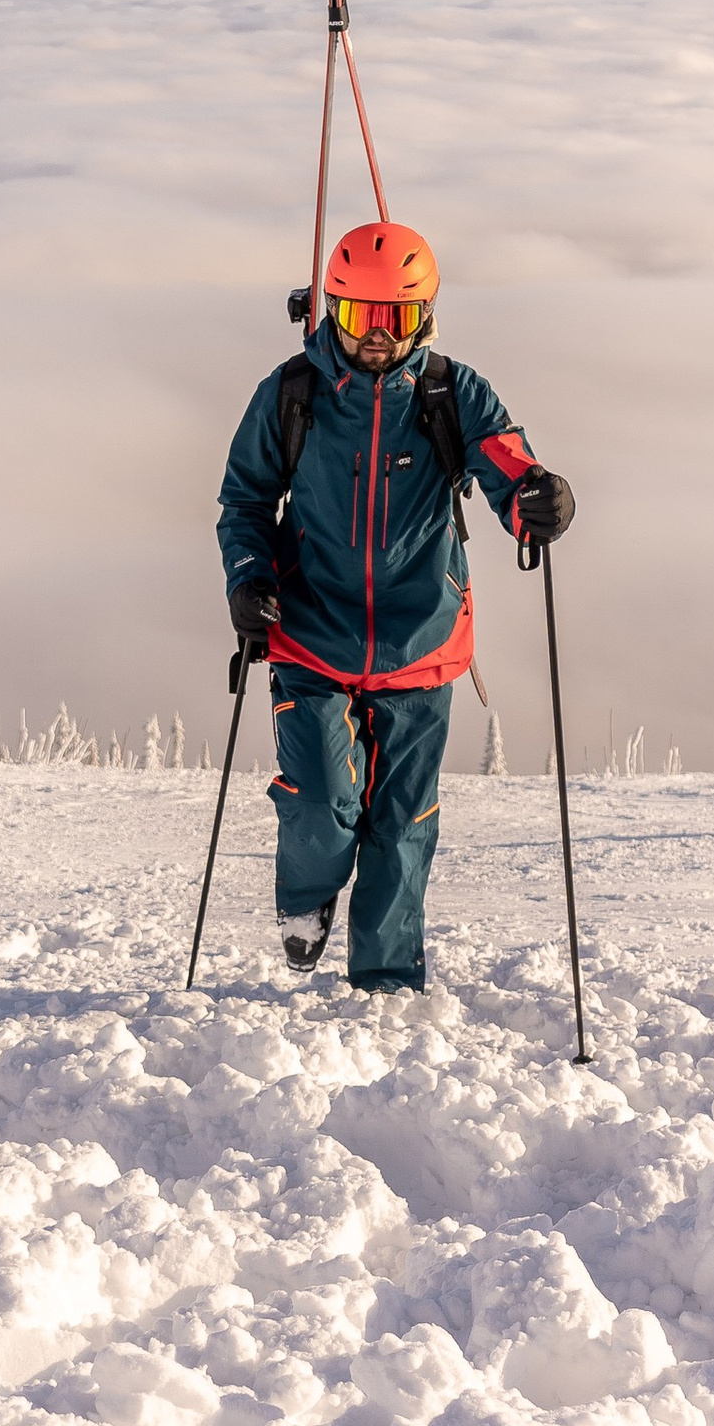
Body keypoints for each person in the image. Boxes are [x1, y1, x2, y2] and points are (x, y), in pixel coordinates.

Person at [215, 220, 574, 991]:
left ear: (425, 315)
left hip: (421, 643)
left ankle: (383, 988)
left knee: (401, 829)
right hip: (311, 634)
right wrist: (248, 577)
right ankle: (305, 905)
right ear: (332, 310)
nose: (378, 337)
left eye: (398, 319)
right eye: (360, 317)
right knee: (320, 803)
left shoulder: (452, 393)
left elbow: (510, 467)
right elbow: (244, 498)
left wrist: (542, 501)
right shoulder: (293, 394)